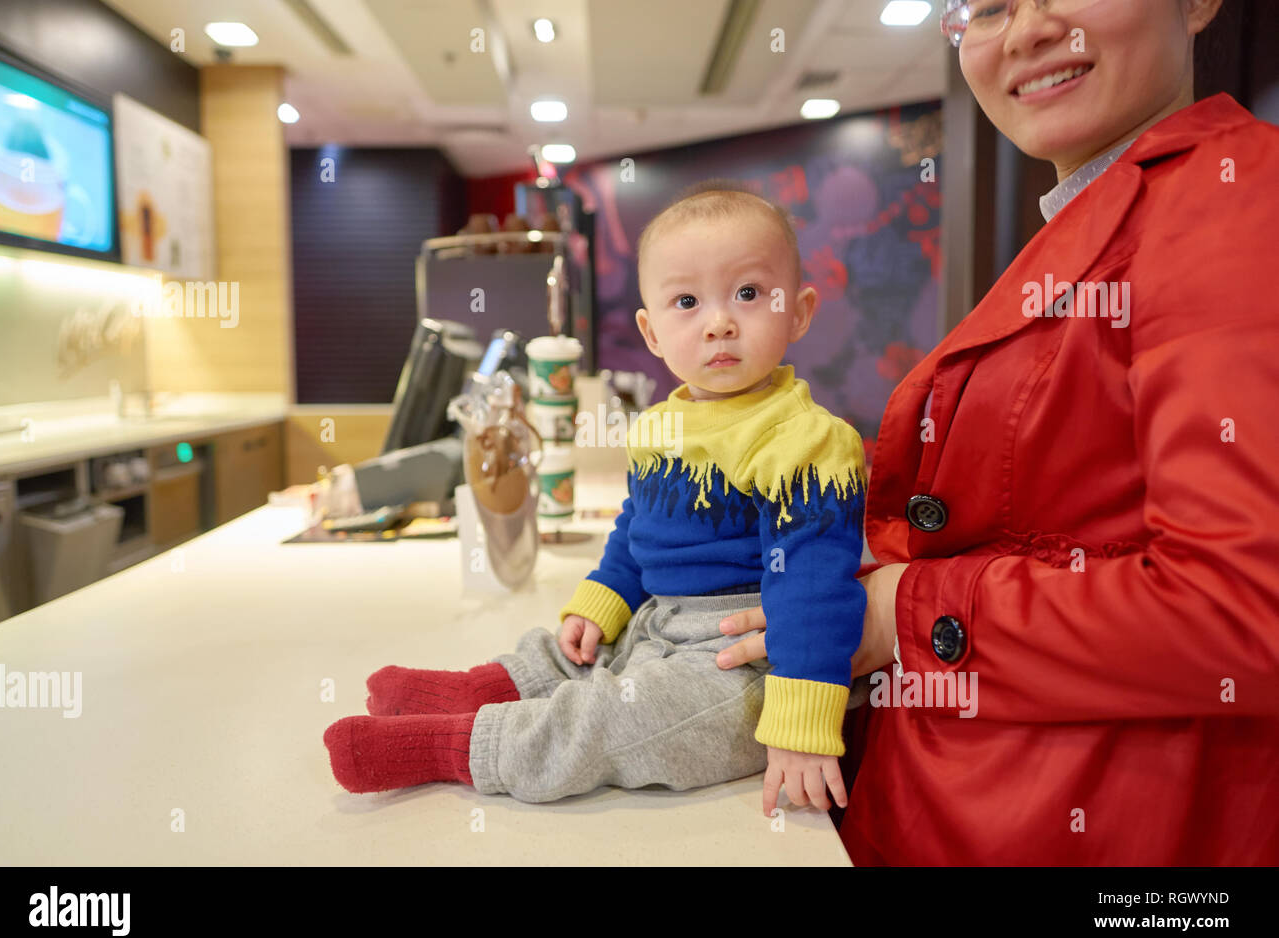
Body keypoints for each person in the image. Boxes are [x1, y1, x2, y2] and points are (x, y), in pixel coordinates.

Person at [715, 0, 1279, 863]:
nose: (1025, 31)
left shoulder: (1232, 206)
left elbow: (1240, 612)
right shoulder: (1106, 208)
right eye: (986, 7)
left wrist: (899, 614)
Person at [323, 183, 869, 813]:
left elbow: (814, 588)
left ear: (797, 311)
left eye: (747, 293)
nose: (719, 321)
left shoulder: (807, 440)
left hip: (750, 656)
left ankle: (451, 747)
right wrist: (603, 601)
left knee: (610, 720)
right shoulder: (662, 426)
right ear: (653, 331)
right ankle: (475, 690)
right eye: (686, 301)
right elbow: (638, 532)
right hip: (658, 618)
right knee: (570, 652)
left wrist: (802, 728)